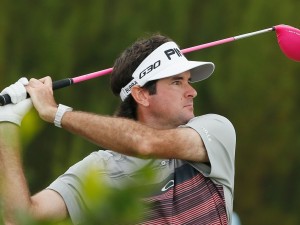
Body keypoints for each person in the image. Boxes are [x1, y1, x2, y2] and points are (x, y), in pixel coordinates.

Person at [0, 34, 236, 225]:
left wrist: (55, 112)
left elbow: (145, 144)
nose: (192, 91)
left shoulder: (215, 131)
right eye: (177, 82)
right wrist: (6, 123)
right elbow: (21, 218)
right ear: (141, 94)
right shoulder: (97, 172)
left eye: (189, 81)